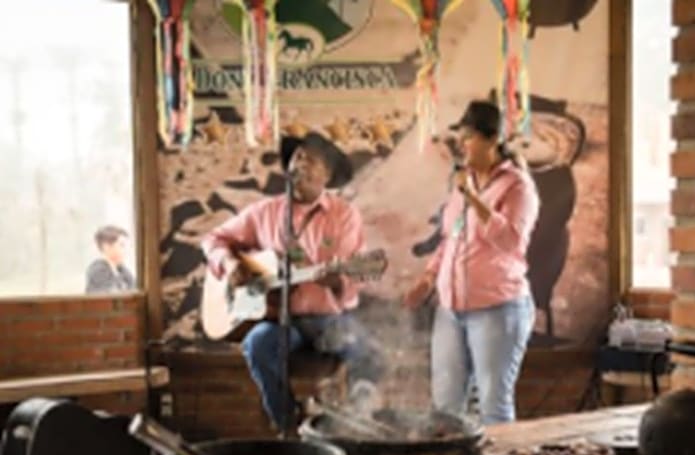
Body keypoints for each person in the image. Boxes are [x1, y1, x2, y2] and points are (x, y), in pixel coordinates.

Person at [202, 132, 381, 433]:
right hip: (282, 321)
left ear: (327, 175)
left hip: (328, 319)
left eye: (311, 160)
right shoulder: (264, 213)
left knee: (370, 352)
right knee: (257, 344)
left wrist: (336, 279)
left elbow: (353, 279)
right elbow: (213, 239)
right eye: (297, 157)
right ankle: (288, 424)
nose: (301, 164)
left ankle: (350, 424)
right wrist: (230, 263)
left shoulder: (344, 215)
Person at [403, 100, 540, 425]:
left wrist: (473, 199)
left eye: (468, 138)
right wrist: (427, 280)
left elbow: (511, 241)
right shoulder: (464, 184)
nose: (460, 146)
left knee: (493, 406)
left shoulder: (518, 187)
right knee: (446, 407)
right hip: (450, 311)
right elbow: (450, 239)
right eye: (460, 139)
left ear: (492, 140)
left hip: (497, 309)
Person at [85, 225, 136, 294]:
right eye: (122, 245)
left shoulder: (123, 270)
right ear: (106, 247)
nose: (126, 250)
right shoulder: (98, 271)